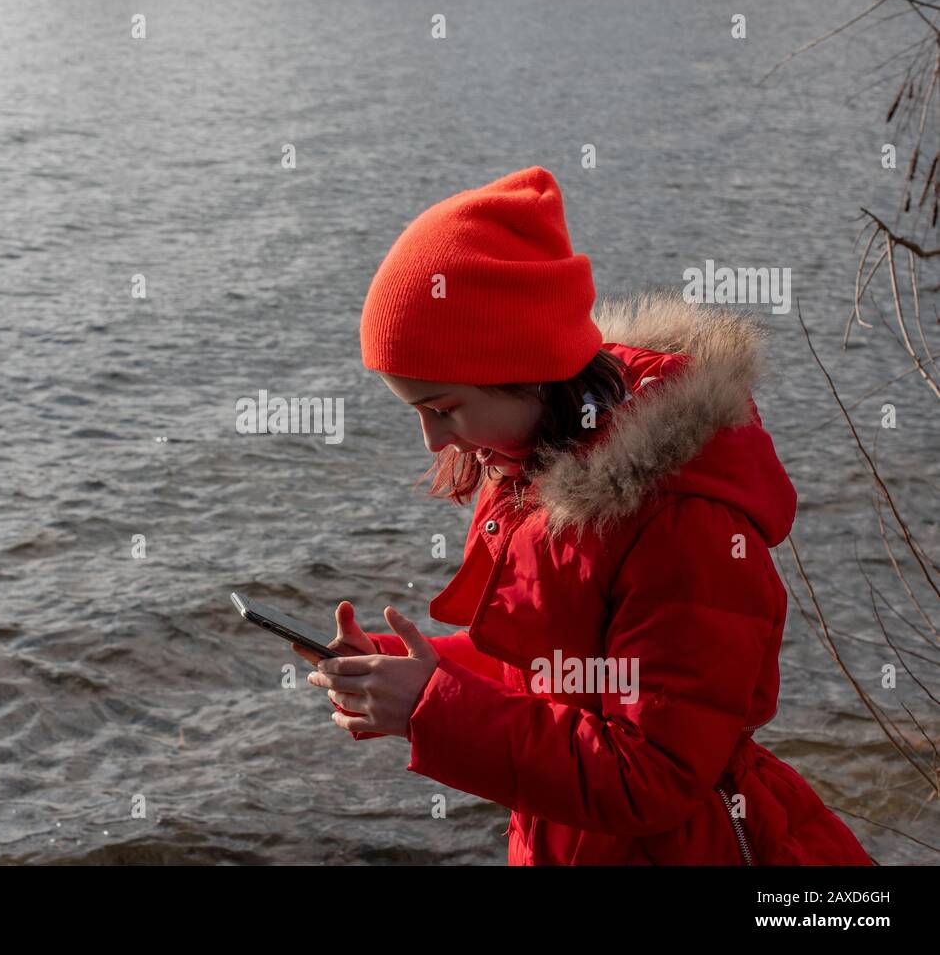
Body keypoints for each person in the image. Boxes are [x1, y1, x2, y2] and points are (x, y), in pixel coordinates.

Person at [292, 166, 873, 865]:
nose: (435, 442)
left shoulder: (683, 523)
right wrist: (399, 672)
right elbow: (552, 674)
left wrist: (430, 709)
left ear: (528, 368)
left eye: (442, 409)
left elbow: (650, 777)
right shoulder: (533, 461)